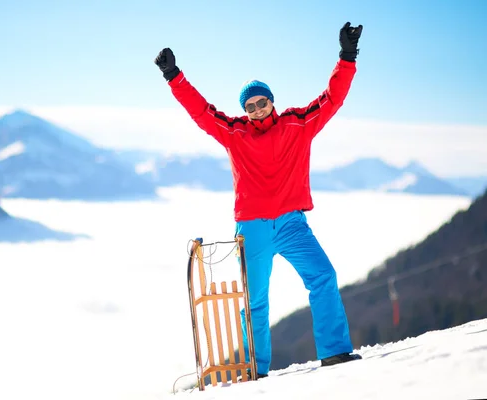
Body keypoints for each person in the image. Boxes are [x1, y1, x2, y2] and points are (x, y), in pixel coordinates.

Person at [155, 22, 364, 378]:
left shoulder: (298, 123)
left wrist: (346, 57)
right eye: (249, 106)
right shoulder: (234, 133)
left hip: (292, 223)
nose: (256, 110)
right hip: (252, 229)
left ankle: (334, 352)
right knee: (254, 303)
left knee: (324, 276)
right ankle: (256, 369)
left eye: (261, 103)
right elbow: (202, 112)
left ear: (272, 102)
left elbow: (332, 100)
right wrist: (174, 76)